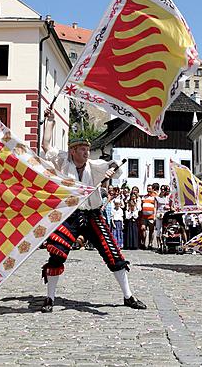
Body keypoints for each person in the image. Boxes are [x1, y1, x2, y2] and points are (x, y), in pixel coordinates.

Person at [40, 107, 146, 313]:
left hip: (93, 215)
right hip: (69, 216)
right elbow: (46, 145)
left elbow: (114, 166)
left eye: (87, 149)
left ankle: (128, 296)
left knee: (112, 253)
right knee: (57, 254)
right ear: (72, 151)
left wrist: (112, 170)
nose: (86, 152)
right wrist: (50, 121)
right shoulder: (63, 161)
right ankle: (50, 299)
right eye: (82, 149)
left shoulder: (95, 165)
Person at [140, 184, 156, 250]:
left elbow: (155, 207)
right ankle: (143, 243)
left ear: (152, 189)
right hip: (144, 216)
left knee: (151, 230)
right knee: (143, 229)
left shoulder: (155, 197)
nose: (148, 189)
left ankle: (150, 243)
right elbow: (141, 205)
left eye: (150, 188)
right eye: (148, 188)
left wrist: (154, 216)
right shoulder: (144, 197)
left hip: (151, 216)